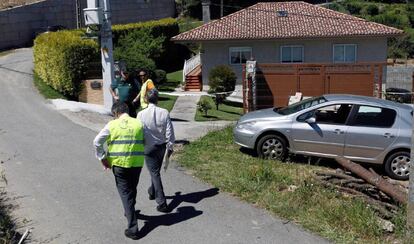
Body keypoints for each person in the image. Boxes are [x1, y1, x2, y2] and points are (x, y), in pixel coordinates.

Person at [93, 102, 145, 240]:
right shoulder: (139, 123)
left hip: (119, 164)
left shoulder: (112, 125)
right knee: (132, 189)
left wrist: (102, 157)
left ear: (116, 113)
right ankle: (130, 211)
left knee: (125, 193)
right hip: (137, 163)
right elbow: (146, 141)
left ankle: (133, 228)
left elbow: (97, 141)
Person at [137, 89, 175, 213]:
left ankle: (162, 202)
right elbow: (170, 132)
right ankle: (152, 191)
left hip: (148, 147)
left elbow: (139, 133)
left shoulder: (141, 114)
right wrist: (170, 148)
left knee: (155, 173)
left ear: (146, 99)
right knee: (155, 172)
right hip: (161, 147)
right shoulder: (164, 112)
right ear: (157, 99)